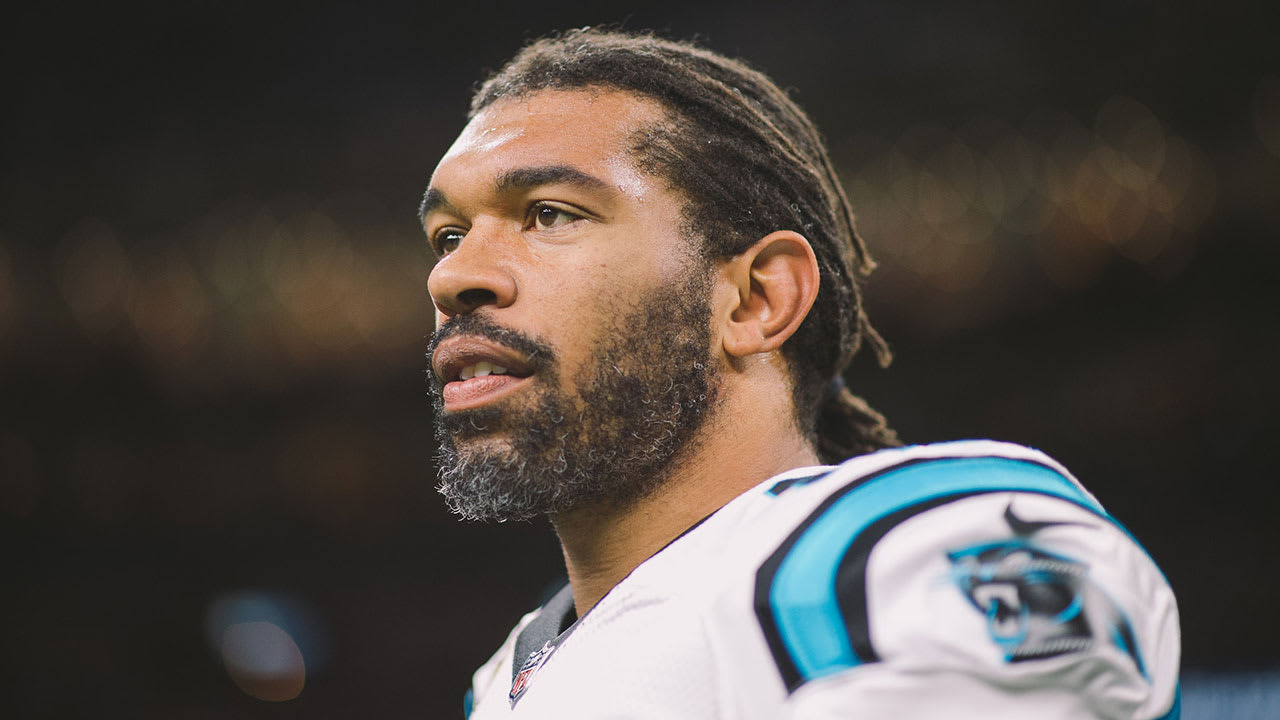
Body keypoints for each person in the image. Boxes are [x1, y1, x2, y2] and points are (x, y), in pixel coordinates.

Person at [421, 28, 1180, 719]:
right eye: (448, 234)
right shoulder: (509, 672)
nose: (452, 277)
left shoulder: (905, 546)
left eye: (551, 213)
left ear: (757, 300)